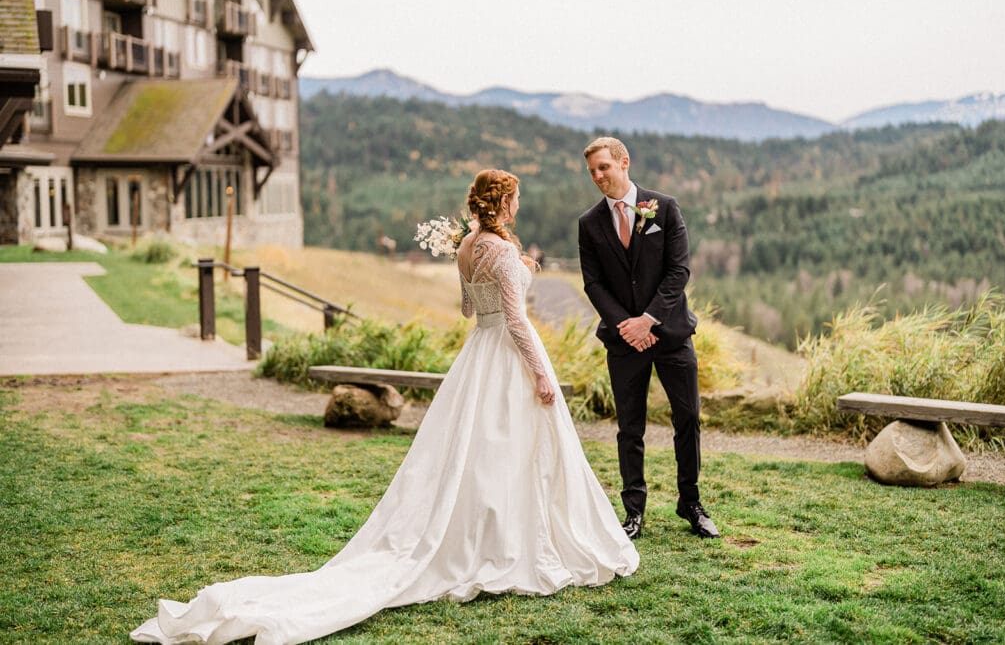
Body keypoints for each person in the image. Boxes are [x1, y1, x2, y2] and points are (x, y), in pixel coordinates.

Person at [131, 169, 638, 645]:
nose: (519, 205)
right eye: (516, 199)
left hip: (477, 355)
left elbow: (469, 309)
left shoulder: (467, 246)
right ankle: (506, 543)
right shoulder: (503, 253)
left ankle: (491, 534)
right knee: (511, 451)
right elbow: (516, 320)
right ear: (503, 203)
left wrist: (515, 272)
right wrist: (541, 373)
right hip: (507, 357)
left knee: (480, 452)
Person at [577, 137, 720, 540]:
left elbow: (679, 271)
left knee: (687, 417)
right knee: (629, 427)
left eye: (604, 167)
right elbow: (593, 283)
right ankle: (633, 511)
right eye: (592, 171)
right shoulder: (589, 223)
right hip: (624, 340)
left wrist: (649, 320)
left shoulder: (665, 208)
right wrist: (627, 325)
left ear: (624, 162)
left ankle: (690, 502)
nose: (598, 176)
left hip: (671, 333)